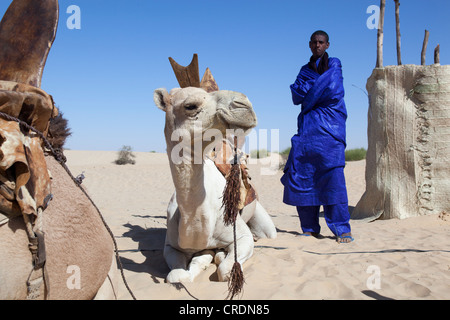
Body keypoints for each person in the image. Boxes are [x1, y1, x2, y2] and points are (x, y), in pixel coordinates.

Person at [281, 30, 353, 243]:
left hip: (330, 131)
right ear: (309, 45)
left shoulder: (335, 65)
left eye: (321, 42)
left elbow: (333, 91)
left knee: (334, 180)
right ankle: (310, 228)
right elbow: (296, 95)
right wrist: (314, 90)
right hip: (308, 134)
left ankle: (342, 229)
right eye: (314, 42)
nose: (317, 45)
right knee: (304, 177)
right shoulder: (304, 70)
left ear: (327, 44)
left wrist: (310, 91)